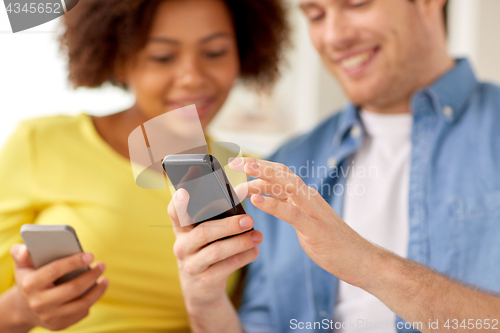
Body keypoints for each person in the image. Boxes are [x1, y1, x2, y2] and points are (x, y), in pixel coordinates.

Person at [167, 0, 500, 332]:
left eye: (356, 4)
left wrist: (371, 267)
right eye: (316, 15)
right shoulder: (289, 163)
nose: (334, 36)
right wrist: (205, 302)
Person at [0, 0, 289, 332]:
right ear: (119, 60)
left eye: (215, 52)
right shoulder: (39, 143)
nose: (193, 77)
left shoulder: (252, 173)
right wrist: (23, 310)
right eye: (162, 57)